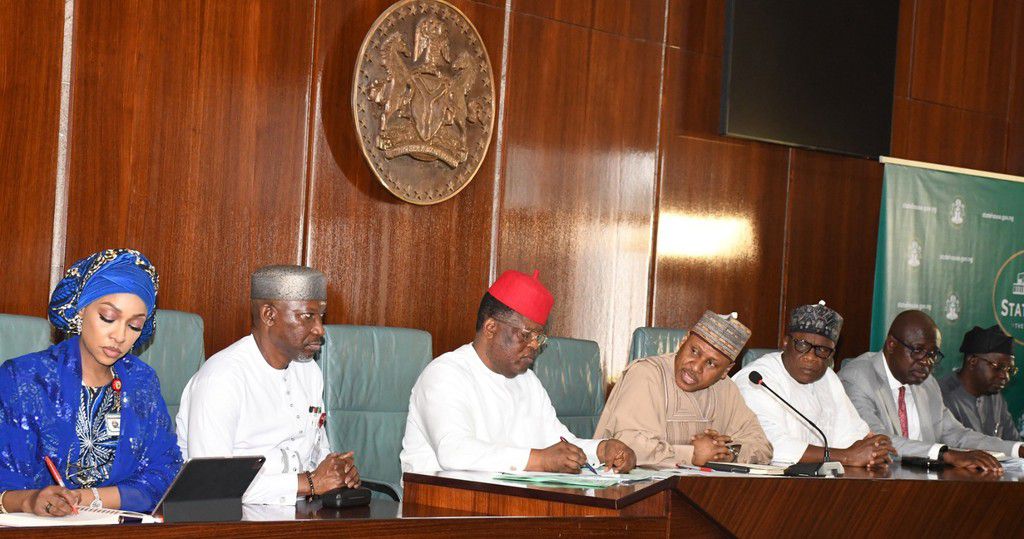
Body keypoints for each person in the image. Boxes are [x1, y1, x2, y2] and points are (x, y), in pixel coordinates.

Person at [0, 249, 181, 516]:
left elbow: (166, 472)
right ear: (81, 308)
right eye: (108, 318)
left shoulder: (142, 382)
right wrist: (29, 500)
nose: (119, 336)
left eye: (135, 326)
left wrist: (86, 498)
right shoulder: (25, 379)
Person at [400, 270, 636, 474]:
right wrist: (541, 460)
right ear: (491, 327)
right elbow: (453, 452)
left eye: (538, 338)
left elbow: (560, 443)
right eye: (525, 335)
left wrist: (602, 450)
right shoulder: (444, 374)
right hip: (440, 511)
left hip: (507, 507)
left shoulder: (528, 381)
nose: (534, 345)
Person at [177, 265, 359, 505]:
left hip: (300, 513)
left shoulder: (309, 371)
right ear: (269, 315)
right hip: (232, 520)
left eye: (320, 317)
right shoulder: (222, 378)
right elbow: (211, 485)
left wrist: (338, 471)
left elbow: (316, 450)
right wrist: (308, 483)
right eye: (308, 316)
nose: (319, 329)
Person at [839, 310, 1021, 472]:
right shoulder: (858, 377)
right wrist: (944, 454)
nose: (927, 361)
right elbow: (879, 442)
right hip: (877, 483)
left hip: (924, 485)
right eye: (918, 350)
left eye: (933, 354)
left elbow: (956, 434)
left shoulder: (927, 384)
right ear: (892, 345)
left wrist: (1016, 449)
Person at [595, 310, 772, 467]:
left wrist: (727, 454)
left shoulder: (726, 388)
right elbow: (628, 446)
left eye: (711, 363)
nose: (695, 367)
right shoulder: (647, 374)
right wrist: (692, 455)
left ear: (725, 371)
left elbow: (762, 446)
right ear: (684, 341)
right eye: (694, 351)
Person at [734, 302, 895, 467]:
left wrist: (872, 449)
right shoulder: (758, 379)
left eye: (822, 350)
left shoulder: (828, 378)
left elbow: (851, 435)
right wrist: (846, 456)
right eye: (802, 345)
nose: (811, 357)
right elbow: (770, 446)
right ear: (785, 342)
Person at [939, 325, 1020, 441]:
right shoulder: (942, 395)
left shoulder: (995, 397)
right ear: (972, 361)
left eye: (1009, 370)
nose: (1005, 377)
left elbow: (1014, 443)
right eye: (999, 367)